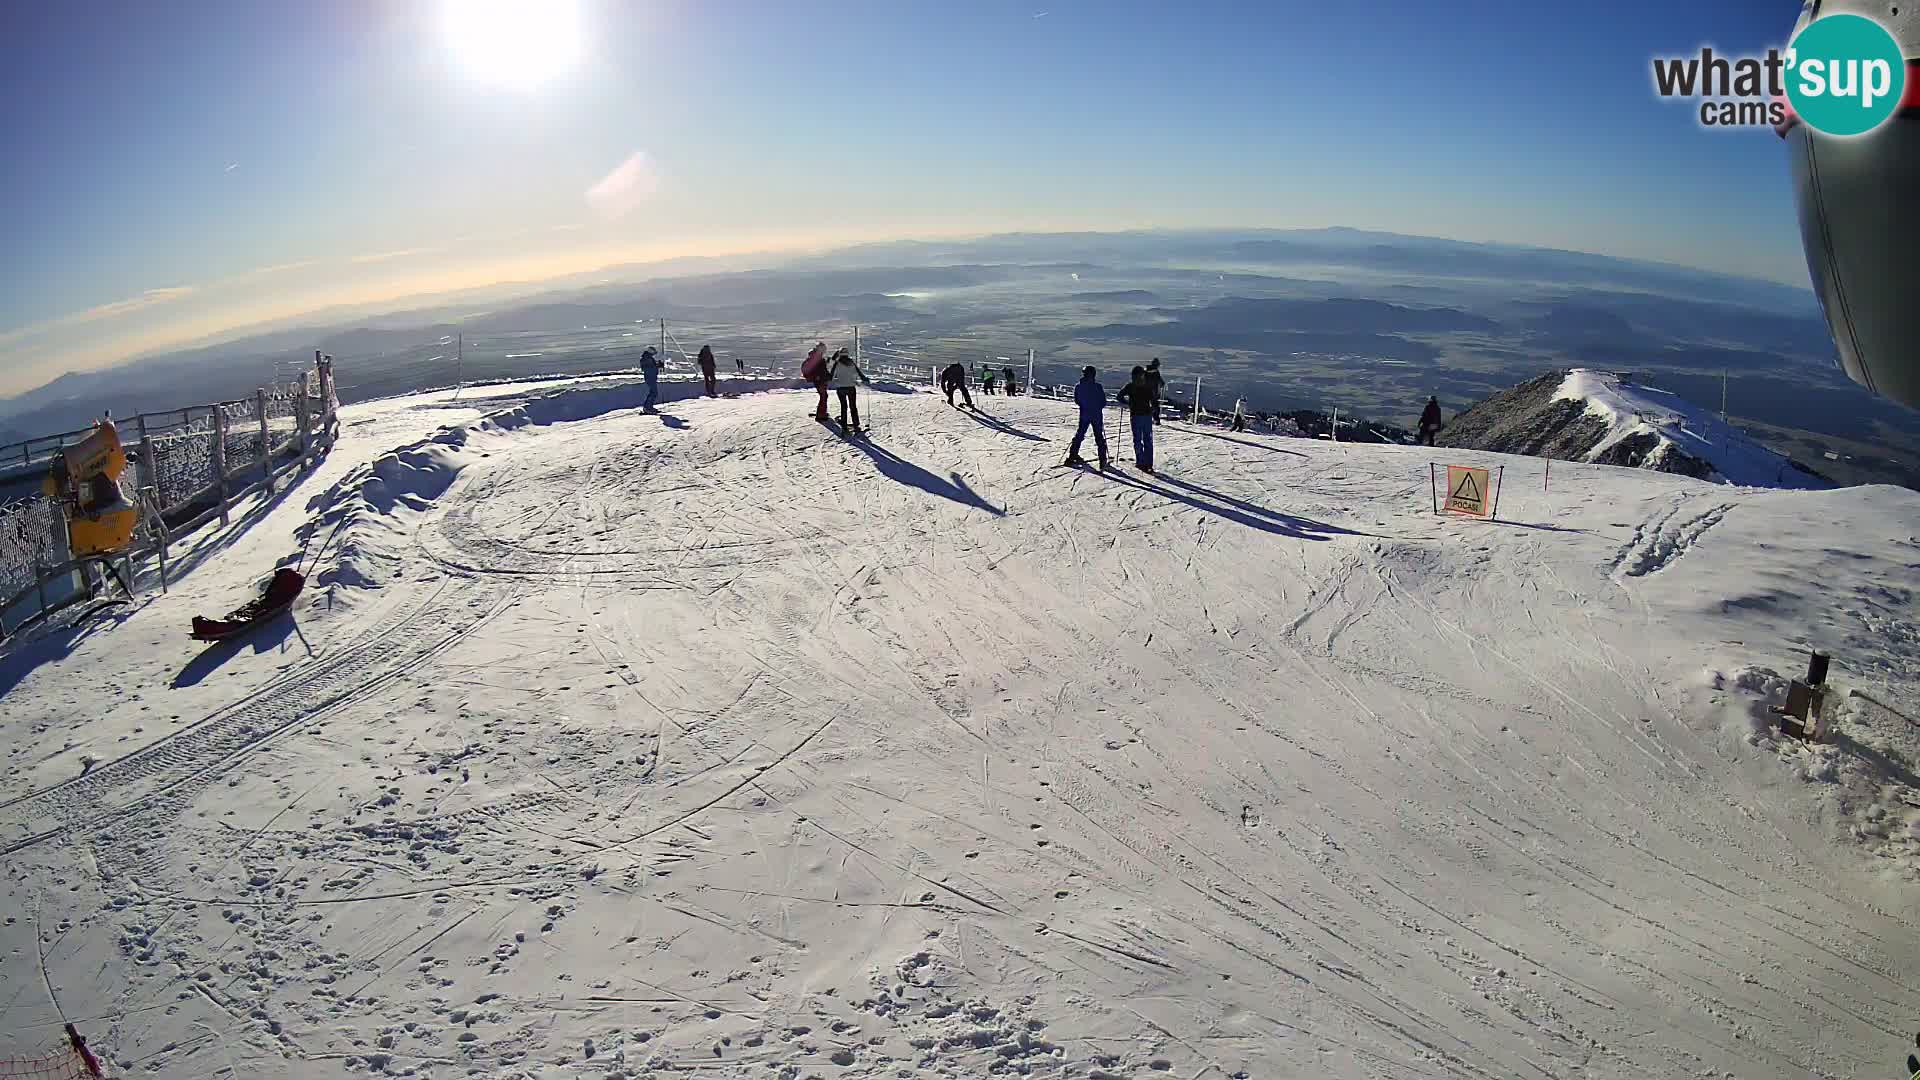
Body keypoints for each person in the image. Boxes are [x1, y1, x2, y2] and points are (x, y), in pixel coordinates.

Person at [1063, 366, 1109, 469]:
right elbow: (1103, 402)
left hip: (1085, 414)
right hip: (1096, 415)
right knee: (1099, 437)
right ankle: (1102, 460)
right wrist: (1096, 407)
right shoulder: (1098, 387)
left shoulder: (1079, 386)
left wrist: (1085, 406)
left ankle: (1072, 456)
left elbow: (1077, 400)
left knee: (1080, 435)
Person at [1115, 366, 1156, 473]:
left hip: (1135, 415)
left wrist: (1128, 403)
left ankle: (1140, 462)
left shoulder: (1130, 386)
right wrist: (1152, 411)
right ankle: (1149, 463)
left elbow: (1119, 396)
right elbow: (1154, 401)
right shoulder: (1148, 386)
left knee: (1137, 439)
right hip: (1146, 415)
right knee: (1148, 440)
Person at [828, 348, 870, 433]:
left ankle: (844, 426)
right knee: (853, 406)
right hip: (851, 387)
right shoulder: (852, 363)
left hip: (841, 388)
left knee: (844, 406)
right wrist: (865, 379)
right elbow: (860, 374)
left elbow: (831, 377)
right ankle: (856, 424)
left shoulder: (837, 363)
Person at [802, 342, 830, 420]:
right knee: (824, 396)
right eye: (824, 349)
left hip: (818, 379)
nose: (825, 350)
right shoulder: (818, 358)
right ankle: (821, 415)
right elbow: (821, 370)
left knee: (823, 396)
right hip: (819, 380)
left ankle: (822, 412)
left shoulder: (816, 357)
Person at [640, 345, 663, 412]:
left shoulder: (647, 358)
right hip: (650, 377)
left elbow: (652, 366)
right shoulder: (646, 359)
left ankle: (648, 407)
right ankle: (647, 407)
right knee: (654, 393)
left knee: (653, 392)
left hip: (651, 377)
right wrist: (657, 366)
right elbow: (649, 368)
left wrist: (658, 365)